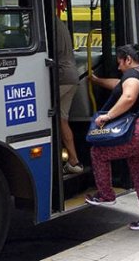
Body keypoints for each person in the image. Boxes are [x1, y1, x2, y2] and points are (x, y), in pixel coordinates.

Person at [86, 44, 139, 230]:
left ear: (128, 60)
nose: (119, 67)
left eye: (120, 62)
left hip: (137, 131)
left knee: (98, 153)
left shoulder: (131, 75)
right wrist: (96, 80)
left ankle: (106, 194)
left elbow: (128, 96)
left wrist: (108, 116)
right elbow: (118, 85)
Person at [55, 16, 83, 174]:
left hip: (60, 77)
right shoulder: (59, 22)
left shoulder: (43, 21)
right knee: (62, 120)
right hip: (71, 76)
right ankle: (74, 161)